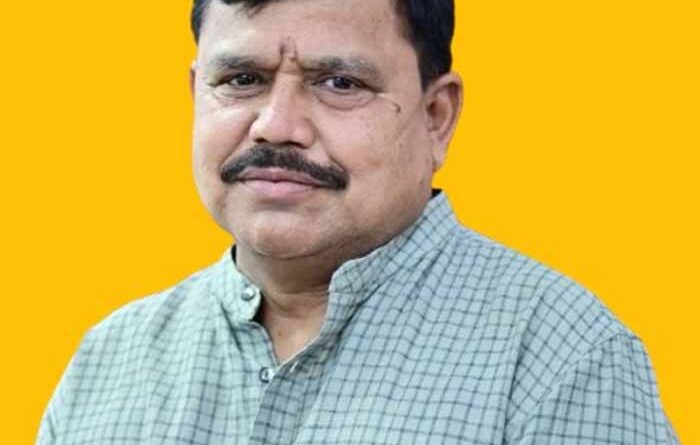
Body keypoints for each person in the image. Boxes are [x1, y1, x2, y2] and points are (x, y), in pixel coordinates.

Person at [37, 0, 679, 443]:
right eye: (241, 79)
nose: (276, 126)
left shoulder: (559, 358)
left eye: (339, 83)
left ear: (436, 117)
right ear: (195, 93)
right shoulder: (109, 363)